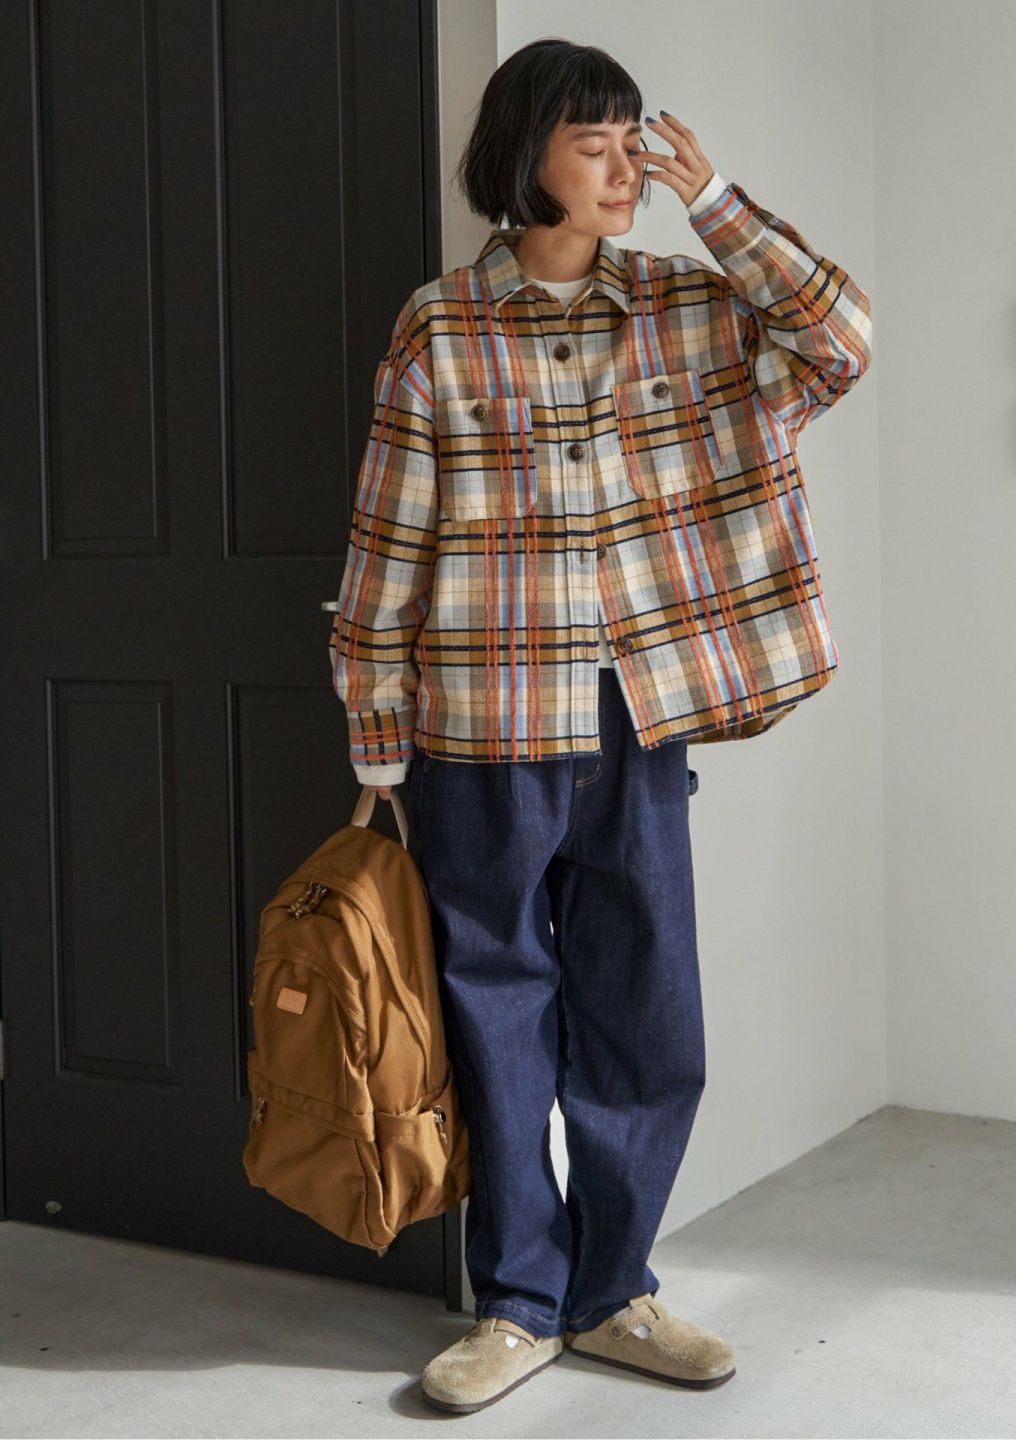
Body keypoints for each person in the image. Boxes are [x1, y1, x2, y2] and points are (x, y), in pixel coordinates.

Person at [328, 36, 871, 1415]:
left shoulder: (692, 306)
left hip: (640, 718)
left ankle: (615, 1290)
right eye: (597, 143)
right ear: (528, 154)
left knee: (648, 1013)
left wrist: (719, 201)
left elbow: (840, 341)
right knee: (494, 1013)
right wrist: (376, 720)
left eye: (637, 141)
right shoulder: (442, 326)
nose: (628, 167)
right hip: (480, 725)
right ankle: (518, 1303)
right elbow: (391, 533)